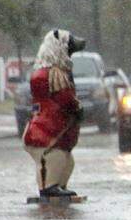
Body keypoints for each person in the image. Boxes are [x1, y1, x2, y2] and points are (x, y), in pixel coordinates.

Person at [23, 29, 85, 198]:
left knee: (66, 160)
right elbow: (64, 98)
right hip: (45, 133)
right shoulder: (49, 75)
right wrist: (75, 107)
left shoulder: (58, 73)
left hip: (57, 133)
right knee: (52, 158)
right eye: (69, 45)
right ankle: (48, 187)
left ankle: (59, 186)